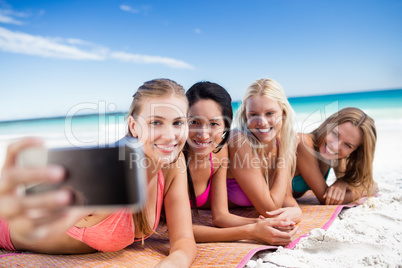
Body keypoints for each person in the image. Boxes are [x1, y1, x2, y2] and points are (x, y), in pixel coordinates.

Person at [0, 79, 197, 267]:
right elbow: (36, 221)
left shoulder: (173, 163)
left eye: (178, 123)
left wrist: (174, 262)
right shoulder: (108, 172)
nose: (170, 136)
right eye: (156, 122)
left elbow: (184, 239)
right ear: (134, 126)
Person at [185, 81, 297, 246]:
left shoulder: (218, 152)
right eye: (194, 122)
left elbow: (221, 216)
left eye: (214, 123)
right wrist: (253, 231)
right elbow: (179, 230)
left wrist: (264, 225)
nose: (203, 134)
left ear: (225, 126)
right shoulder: (174, 159)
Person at [226, 78, 302, 222]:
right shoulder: (238, 140)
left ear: (284, 112)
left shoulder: (283, 142)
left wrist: (296, 211)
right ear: (245, 116)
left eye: (269, 113)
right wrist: (284, 159)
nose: (262, 122)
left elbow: (287, 199)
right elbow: (270, 211)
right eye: (253, 114)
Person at [292, 107, 378, 205]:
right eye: (335, 134)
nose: (334, 146)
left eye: (348, 145)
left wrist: (342, 183)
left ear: (355, 151)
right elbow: (325, 199)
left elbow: (346, 182)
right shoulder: (303, 143)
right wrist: (365, 191)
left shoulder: (337, 157)